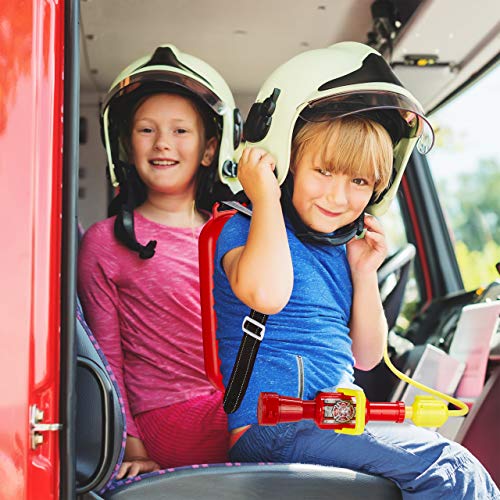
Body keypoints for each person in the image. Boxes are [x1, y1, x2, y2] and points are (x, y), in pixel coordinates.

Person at [213, 42, 500, 498]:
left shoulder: (341, 250)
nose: (339, 196)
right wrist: (264, 195)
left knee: (447, 462)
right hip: (270, 427)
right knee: (450, 469)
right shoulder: (243, 228)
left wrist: (365, 274)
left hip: (332, 418)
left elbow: (366, 356)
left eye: (359, 181)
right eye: (324, 171)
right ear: (283, 162)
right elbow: (267, 295)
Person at [78, 44, 242, 479]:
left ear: (210, 150)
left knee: (320, 414)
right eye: (146, 130)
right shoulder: (107, 242)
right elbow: (104, 357)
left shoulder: (233, 234)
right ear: (127, 146)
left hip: (231, 407)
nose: (163, 143)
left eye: (180, 131)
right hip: (168, 418)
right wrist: (129, 445)